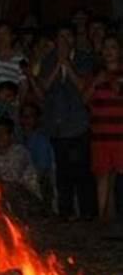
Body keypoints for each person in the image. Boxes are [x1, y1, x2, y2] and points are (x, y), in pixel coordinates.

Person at [39, 24, 96, 221]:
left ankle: (87, 213)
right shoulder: (47, 60)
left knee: (81, 170)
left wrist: (68, 65)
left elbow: (83, 86)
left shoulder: (84, 58)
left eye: (67, 36)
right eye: (60, 37)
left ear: (73, 38)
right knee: (62, 171)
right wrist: (58, 63)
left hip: (78, 124)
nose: (64, 41)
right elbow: (44, 86)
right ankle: (66, 212)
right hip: (57, 126)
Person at [84, 36, 123, 223]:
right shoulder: (96, 74)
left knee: (118, 178)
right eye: (106, 47)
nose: (109, 50)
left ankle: (114, 217)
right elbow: (84, 99)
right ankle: (103, 220)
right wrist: (95, 82)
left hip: (120, 135)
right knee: (102, 176)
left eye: (113, 47)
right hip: (100, 136)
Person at [0, 117, 40, 197]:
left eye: (3, 133)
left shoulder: (20, 152)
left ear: (11, 135)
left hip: (27, 196)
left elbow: (12, 180)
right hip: (5, 194)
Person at [20, 103, 54, 211]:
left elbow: (42, 170)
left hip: (37, 184)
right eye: (24, 116)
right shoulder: (18, 138)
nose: (27, 120)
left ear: (37, 119)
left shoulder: (41, 140)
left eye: (30, 116)